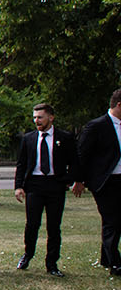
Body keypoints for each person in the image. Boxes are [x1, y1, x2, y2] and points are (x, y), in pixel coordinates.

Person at [14, 102, 74, 276]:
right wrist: (19, 186)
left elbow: (74, 162)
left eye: (40, 117)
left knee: (54, 226)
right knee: (32, 224)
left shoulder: (65, 137)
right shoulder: (29, 138)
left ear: (50, 117)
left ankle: (52, 263)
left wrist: (69, 181)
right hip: (35, 185)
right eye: (34, 117)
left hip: (56, 185)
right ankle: (28, 254)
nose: (36, 121)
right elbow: (22, 164)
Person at [76, 89, 121, 278]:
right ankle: (115, 263)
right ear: (119, 105)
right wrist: (79, 180)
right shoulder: (96, 126)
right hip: (104, 182)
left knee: (114, 221)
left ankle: (106, 257)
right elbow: (81, 154)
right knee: (113, 220)